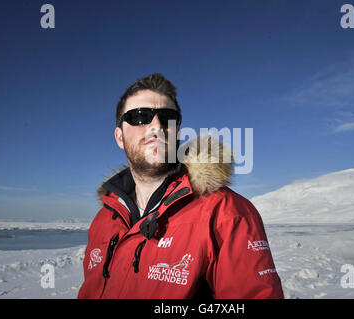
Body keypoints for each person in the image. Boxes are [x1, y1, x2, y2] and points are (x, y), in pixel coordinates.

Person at [77, 73, 284, 299]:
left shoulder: (226, 213)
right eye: (140, 117)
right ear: (119, 137)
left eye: (167, 118)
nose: (156, 125)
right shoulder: (104, 220)